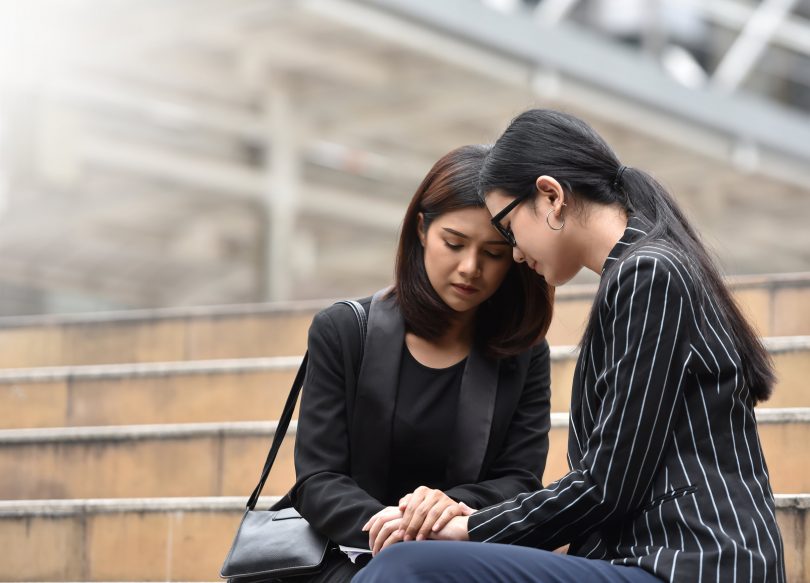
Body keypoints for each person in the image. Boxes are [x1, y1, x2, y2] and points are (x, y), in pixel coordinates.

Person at [355, 110, 786, 582]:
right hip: (642, 559)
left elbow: (606, 486)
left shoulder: (650, 274)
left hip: (693, 563)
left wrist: (468, 526)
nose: (515, 252)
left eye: (507, 226)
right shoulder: (638, 272)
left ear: (551, 198)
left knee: (408, 565)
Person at [277, 144, 555, 582]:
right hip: (346, 552)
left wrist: (448, 510)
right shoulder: (345, 331)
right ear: (422, 229)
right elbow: (318, 479)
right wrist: (398, 527)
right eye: (454, 243)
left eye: (494, 253)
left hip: (459, 554)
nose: (470, 267)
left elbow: (520, 481)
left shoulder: (522, 353)